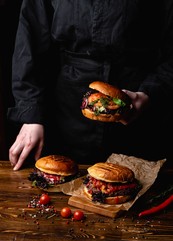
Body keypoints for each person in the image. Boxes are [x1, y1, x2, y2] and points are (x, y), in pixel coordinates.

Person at [7, 0, 173, 170]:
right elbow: (29, 46)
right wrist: (31, 116)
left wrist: (149, 93)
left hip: (141, 116)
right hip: (65, 113)